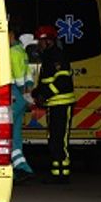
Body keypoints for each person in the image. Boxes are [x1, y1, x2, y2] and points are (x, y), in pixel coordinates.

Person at [30, 24, 76, 184]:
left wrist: (44, 94)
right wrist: (37, 93)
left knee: (60, 140)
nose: (38, 44)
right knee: (54, 139)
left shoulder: (58, 56)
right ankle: (57, 173)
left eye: (40, 41)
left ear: (49, 41)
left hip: (63, 104)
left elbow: (62, 81)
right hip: (54, 104)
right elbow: (46, 80)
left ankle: (63, 174)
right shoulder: (49, 56)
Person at [8, 27, 35, 182]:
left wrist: (21, 90)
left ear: (11, 35)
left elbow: (18, 77)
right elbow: (28, 75)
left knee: (7, 134)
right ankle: (23, 168)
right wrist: (27, 92)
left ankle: (19, 168)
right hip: (21, 98)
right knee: (15, 135)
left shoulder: (12, 52)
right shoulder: (22, 51)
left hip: (14, 95)